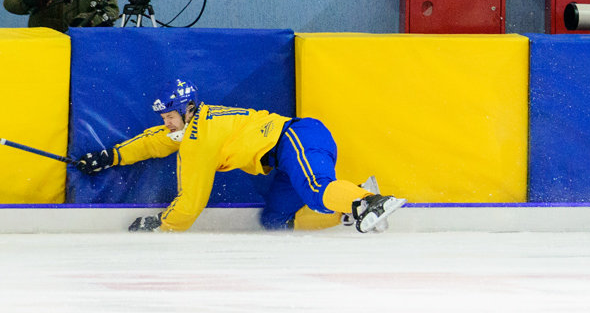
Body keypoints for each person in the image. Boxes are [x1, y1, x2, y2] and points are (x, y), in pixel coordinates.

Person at [75, 79, 406, 233]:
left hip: (296, 138)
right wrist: (110, 157)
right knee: (276, 221)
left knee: (317, 190)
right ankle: (348, 212)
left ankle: (367, 201)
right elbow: (155, 142)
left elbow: (191, 202)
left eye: (169, 116)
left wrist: (162, 226)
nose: (166, 123)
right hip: (286, 153)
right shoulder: (197, 122)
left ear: (186, 109)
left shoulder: (198, 140)